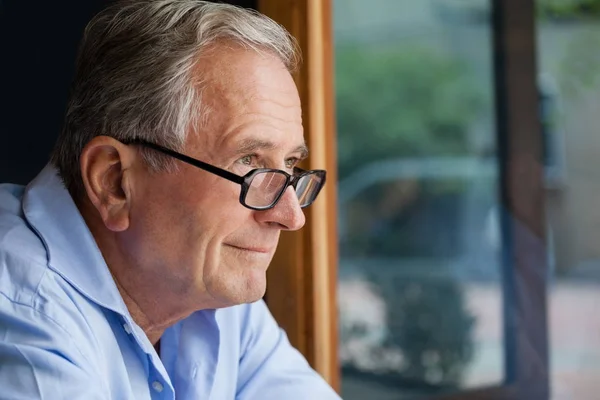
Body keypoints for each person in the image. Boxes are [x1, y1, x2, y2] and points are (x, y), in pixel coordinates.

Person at [0, 1, 340, 399]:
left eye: (291, 166)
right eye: (249, 163)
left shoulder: (209, 286)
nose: (290, 216)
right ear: (114, 182)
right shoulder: (23, 318)